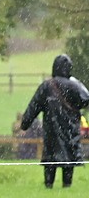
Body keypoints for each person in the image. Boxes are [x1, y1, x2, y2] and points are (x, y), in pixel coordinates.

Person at [19, 54, 89, 188]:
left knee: (50, 157)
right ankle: (67, 185)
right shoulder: (74, 86)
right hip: (70, 130)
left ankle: (48, 184)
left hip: (51, 129)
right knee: (68, 157)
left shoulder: (47, 86)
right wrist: (77, 83)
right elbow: (85, 99)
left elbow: (34, 106)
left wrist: (25, 123)